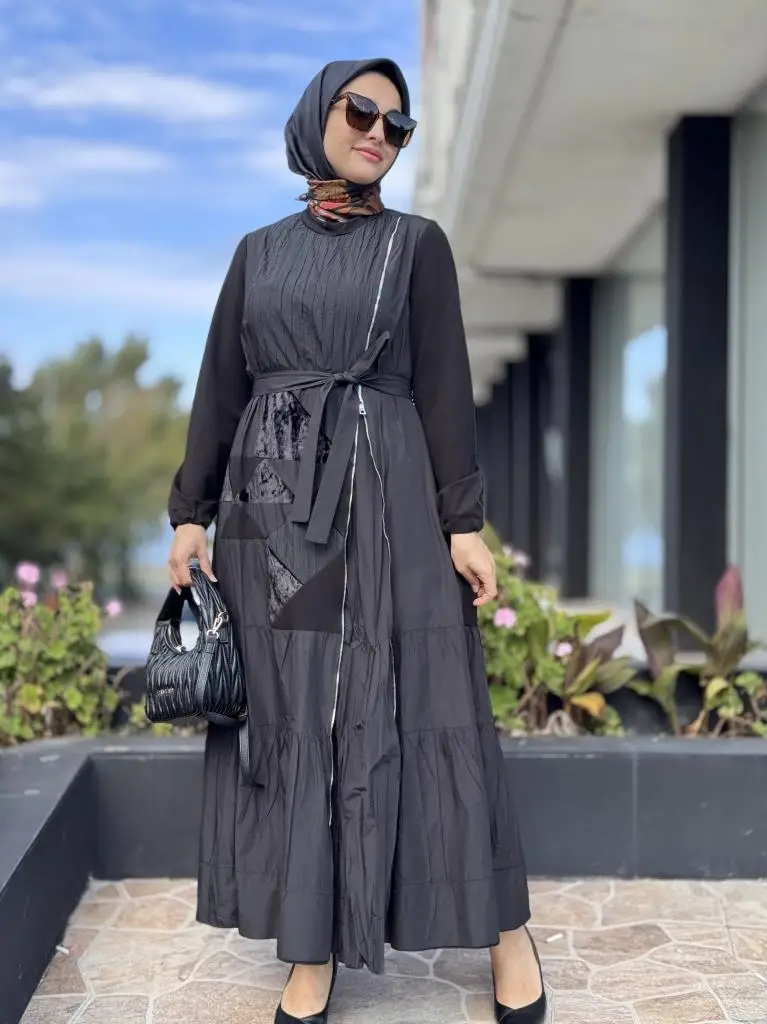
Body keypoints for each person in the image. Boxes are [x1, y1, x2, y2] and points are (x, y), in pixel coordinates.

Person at [167, 58, 545, 1024]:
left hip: (388, 490)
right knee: (296, 710)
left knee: (431, 695)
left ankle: (504, 930)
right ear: (317, 118)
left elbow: (447, 388)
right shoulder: (257, 253)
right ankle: (312, 945)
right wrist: (190, 511)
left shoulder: (416, 245)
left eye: (396, 125)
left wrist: (463, 522)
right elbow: (221, 384)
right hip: (272, 507)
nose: (379, 133)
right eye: (361, 111)